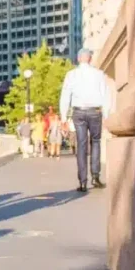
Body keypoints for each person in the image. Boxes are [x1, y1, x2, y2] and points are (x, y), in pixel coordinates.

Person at [59, 48, 112, 192]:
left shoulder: (71, 75)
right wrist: (106, 115)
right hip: (95, 112)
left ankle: (82, 181)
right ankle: (95, 177)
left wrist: (63, 117)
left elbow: (65, 96)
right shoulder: (99, 74)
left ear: (78, 59)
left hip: (79, 112)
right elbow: (106, 95)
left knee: (81, 145)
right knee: (95, 142)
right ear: (90, 59)